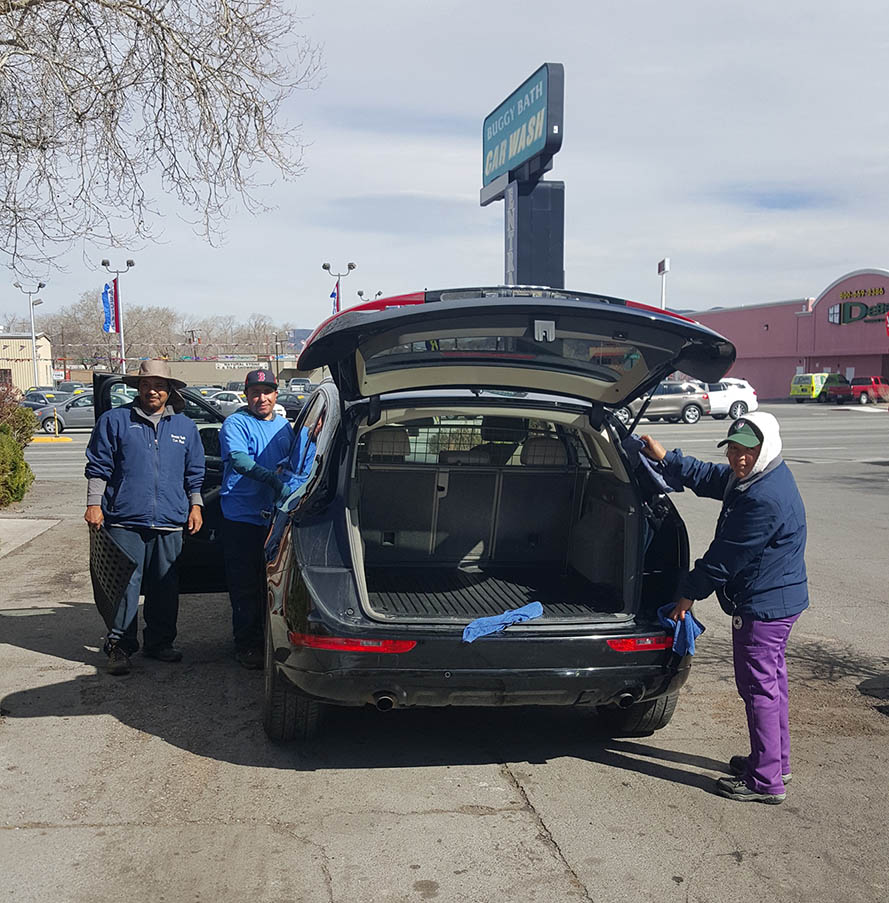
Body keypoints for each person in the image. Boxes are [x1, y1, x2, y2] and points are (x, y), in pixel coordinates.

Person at [640, 411, 808, 805]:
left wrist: (687, 594)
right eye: (732, 449)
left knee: (758, 689)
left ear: (765, 448)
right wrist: (667, 458)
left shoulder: (764, 498)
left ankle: (765, 782)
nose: (738, 458)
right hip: (779, 600)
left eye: (747, 451)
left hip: (764, 606)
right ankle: (774, 762)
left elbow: (723, 559)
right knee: (771, 685)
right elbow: (712, 477)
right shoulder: (758, 476)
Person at [85, 360, 205, 675]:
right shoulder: (115, 420)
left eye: (159, 386)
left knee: (165, 585)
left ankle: (160, 643)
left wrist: (195, 505)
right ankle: (119, 646)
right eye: (146, 385)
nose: (152, 391)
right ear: (137, 388)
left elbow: (194, 472)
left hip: (170, 519)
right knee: (125, 585)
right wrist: (94, 503)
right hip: (124, 519)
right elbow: (99, 465)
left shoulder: (185, 427)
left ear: (170, 390)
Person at [218, 369, 294, 668]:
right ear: (246, 395)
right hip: (242, 518)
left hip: (275, 518)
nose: (261, 398)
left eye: (267, 392)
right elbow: (239, 460)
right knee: (246, 585)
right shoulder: (236, 423)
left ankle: (269, 640)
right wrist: (273, 480)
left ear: (276, 394)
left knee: (273, 584)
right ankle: (247, 645)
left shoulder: (284, 426)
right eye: (255, 393)